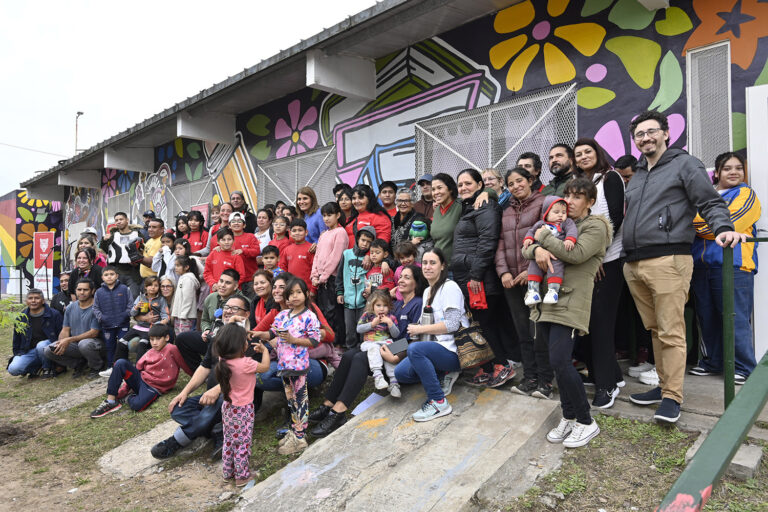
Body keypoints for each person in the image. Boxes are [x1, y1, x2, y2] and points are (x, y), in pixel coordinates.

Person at [623, 110, 743, 424]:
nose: (645, 138)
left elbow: (710, 201)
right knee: (654, 330)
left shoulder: (684, 164)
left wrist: (723, 229)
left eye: (651, 131)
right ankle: (664, 386)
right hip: (634, 262)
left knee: (671, 331)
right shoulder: (638, 174)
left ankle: (673, 397)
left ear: (666, 133)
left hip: (669, 260)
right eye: (639, 134)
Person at [522, 178, 611, 448]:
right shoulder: (558, 225)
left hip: (571, 302)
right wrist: (536, 248)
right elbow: (526, 248)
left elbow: (577, 254)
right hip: (549, 301)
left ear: (590, 202)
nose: (569, 202)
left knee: (561, 360)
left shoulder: (595, 226)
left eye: (577, 197)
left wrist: (542, 239)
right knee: (554, 361)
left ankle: (586, 420)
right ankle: (569, 415)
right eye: (567, 196)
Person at [310, 265, 426, 436]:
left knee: (360, 359)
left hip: (399, 355)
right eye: (400, 276)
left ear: (416, 282)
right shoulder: (398, 303)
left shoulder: (418, 304)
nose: (401, 280)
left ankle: (339, 412)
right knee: (349, 355)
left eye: (407, 277)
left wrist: (394, 355)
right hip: (384, 345)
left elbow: (414, 339)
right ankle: (328, 404)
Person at [150, 294, 252, 460]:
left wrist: (217, 390)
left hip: (235, 397)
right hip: (210, 397)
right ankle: (217, 430)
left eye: (234, 309)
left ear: (246, 314)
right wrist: (184, 392)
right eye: (226, 307)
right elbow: (204, 366)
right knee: (178, 409)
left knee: (216, 405)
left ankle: (177, 440)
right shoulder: (218, 335)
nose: (228, 311)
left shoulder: (249, 339)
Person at [690, 152, 760, 385]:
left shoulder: (746, 193)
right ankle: (712, 362)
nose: (734, 172)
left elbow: (729, 223)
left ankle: (744, 367)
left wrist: (698, 225)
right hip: (700, 265)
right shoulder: (703, 196)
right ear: (716, 172)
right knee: (706, 316)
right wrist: (701, 224)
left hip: (734, 265)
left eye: (738, 168)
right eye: (727, 168)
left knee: (734, 317)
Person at [573, 137, 627, 408]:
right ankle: (609, 376)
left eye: (587, 152)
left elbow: (616, 218)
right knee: (590, 323)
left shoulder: (611, 177)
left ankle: (607, 386)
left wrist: (598, 258)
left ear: (598, 152)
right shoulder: (582, 184)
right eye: (578, 154)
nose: (583, 156)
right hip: (588, 263)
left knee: (601, 324)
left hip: (609, 261)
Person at [452, 169, 514, 388]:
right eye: (460, 184)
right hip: (469, 275)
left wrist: (476, 274)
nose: (463, 188)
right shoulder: (469, 207)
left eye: (468, 183)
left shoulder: (485, 205)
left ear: (480, 185)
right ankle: (488, 367)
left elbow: (488, 241)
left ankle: (502, 365)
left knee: (486, 324)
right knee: (479, 324)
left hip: (480, 278)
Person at [495, 167, 552, 398]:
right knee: (522, 332)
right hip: (511, 281)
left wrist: (532, 270)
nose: (516, 186)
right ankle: (529, 378)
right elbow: (500, 243)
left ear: (530, 181)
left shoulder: (543, 203)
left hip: (535, 279)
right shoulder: (506, 210)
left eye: (520, 181)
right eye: (511, 183)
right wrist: (503, 273)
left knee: (538, 330)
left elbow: (550, 237)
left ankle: (545, 381)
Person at [398, 249, 467, 421]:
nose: (428, 267)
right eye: (425, 263)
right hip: (429, 346)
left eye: (433, 263)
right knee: (401, 373)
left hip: (451, 349)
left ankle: (438, 401)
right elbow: (414, 332)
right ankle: (443, 374)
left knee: (415, 350)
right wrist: (390, 347)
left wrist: (418, 331)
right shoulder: (425, 293)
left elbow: (451, 325)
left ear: (443, 266)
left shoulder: (448, 288)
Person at [90, 324, 192, 418]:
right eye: (151, 339)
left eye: (158, 339)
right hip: (141, 380)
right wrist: (124, 389)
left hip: (155, 387)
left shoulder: (171, 348)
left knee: (137, 405)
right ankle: (111, 401)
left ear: (167, 338)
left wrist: (196, 377)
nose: (154, 343)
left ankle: (129, 397)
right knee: (120, 363)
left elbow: (184, 364)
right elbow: (138, 369)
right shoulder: (149, 352)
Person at [268, 277, 321, 455]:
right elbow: (271, 332)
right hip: (284, 366)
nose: (295, 296)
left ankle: (300, 437)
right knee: (290, 400)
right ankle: (294, 430)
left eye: (299, 292)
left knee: (301, 400)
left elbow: (314, 340)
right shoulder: (283, 315)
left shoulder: (309, 316)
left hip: (299, 366)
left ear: (306, 294)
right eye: (291, 293)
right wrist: (256, 334)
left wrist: (294, 340)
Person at [214, 323, 270, 485]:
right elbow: (265, 367)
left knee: (230, 440)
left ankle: (228, 471)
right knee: (243, 442)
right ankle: (242, 476)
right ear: (241, 345)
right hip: (244, 409)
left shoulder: (223, 360)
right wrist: (265, 351)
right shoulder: (246, 363)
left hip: (228, 407)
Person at [176, 269, 247, 371]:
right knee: (182, 338)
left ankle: (217, 371)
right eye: (221, 281)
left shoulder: (242, 302)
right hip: (211, 336)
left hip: (230, 343)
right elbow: (205, 320)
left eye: (228, 283)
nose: (222, 285)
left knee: (216, 342)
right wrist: (206, 330)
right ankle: (200, 372)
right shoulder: (211, 298)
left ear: (235, 286)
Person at [522, 197, 578, 305]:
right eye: (556, 212)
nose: (561, 215)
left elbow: (572, 230)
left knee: (555, 268)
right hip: (539, 253)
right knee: (533, 268)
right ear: (546, 213)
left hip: (556, 253)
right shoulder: (540, 224)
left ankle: (553, 291)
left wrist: (570, 240)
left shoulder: (567, 223)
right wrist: (528, 238)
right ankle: (533, 292)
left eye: (563, 212)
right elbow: (531, 231)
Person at [430, 173, 493, 267]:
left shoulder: (462, 205)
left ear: (450, 189)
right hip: (439, 268)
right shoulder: (436, 210)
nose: (436, 192)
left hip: (457, 267)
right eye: (433, 189)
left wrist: (486, 192)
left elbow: (492, 192)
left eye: (439, 188)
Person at [44, 279, 103, 379]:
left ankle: (97, 367)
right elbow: (65, 330)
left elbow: (94, 333)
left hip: (96, 344)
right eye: (79, 289)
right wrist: (61, 343)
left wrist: (69, 340)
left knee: (84, 344)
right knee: (48, 350)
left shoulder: (97, 307)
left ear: (92, 291)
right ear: (75, 291)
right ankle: (78, 364)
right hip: (76, 344)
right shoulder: (70, 308)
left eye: (85, 290)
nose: (82, 292)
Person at [311, 202, 349, 346]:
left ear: (338, 215)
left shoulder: (341, 232)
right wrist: (314, 275)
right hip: (321, 280)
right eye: (324, 216)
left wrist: (323, 277)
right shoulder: (324, 234)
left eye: (330, 215)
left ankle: (337, 344)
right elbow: (317, 256)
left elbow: (336, 257)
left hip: (332, 279)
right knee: (324, 314)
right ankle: (327, 343)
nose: (326, 219)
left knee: (334, 314)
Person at [114, 276, 171, 362]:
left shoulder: (161, 299)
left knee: (142, 344)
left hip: (151, 328)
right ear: (145, 287)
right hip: (138, 327)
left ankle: (139, 368)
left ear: (159, 287)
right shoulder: (140, 298)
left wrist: (158, 324)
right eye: (150, 285)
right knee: (122, 342)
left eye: (156, 285)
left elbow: (166, 316)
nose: (152, 287)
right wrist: (136, 307)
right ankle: (119, 365)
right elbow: (132, 314)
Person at [336, 226, 376, 348]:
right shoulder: (346, 254)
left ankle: (362, 352)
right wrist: (339, 292)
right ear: (357, 239)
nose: (365, 244)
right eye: (363, 240)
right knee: (350, 330)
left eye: (369, 242)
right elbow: (340, 275)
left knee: (363, 329)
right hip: (348, 300)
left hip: (363, 301)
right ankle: (349, 352)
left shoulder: (371, 258)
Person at [8, 288, 62, 378]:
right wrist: (17, 354)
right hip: (30, 351)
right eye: (30, 298)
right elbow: (16, 339)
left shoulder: (54, 314)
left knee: (41, 345)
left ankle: (47, 368)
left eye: (37, 298)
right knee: (13, 369)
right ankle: (36, 368)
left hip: (49, 348)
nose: (33, 301)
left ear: (43, 301)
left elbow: (61, 335)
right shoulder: (21, 317)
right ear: (26, 301)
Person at [357, 289, 401, 394]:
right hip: (370, 343)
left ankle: (394, 382)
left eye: (385, 305)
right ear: (372, 305)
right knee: (374, 349)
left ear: (389, 306)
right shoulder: (367, 316)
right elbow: (359, 329)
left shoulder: (391, 317)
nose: (382, 309)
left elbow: (396, 335)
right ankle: (378, 376)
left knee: (389, 351)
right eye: (378, 305)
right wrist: (372, 324)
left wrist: (390, 324)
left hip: (385, 342)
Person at [93, 265, 132, 377]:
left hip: (123, 324)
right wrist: (102, 318)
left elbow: (130, 305)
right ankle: (111, 367)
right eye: (106, 275)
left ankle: (124, 367)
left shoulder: (124, 289)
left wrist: (126, 315)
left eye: (111, 274)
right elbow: (95, 308)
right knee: (110, 346)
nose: (109, 277)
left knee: (123, 344)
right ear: (102, 277)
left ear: (117, 276)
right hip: (107, 325)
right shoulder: (99, 292)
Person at [391, 188, 431, 255]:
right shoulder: (392, 220)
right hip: (393, 260)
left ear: (412, 203)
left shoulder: (419, 219)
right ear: (396, 202)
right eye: (400, 200)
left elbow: (419, 241)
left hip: (410, 257)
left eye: (406, 201)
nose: (403, 204)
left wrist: (410, 244)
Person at [229, 212, 260, 296]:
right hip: (235, 280)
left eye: (239, 221)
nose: (236, 223)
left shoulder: (250, 236)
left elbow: (257, 251)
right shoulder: (227, 239)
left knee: (251, 303)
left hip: (250, 278)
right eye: (233, 221)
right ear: (229, 225)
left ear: (244, 225)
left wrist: (244, 251)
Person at [280, 219, 315, 293]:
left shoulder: (311, 249)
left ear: (306, 232)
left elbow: (315, 270)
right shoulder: (287, 250)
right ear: (290, 233)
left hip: (307, 289)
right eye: (294, 231)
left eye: (300, 230)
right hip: (291, 289)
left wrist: (313, 289)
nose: (297, 233)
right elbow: (282, 269)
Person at [171, 256, 200, 335]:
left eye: (178, 265)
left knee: (184, 337)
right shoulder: (182, 278)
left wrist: (183, 315)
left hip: (185, 317)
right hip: (180, 315)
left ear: (186, 267)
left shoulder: (188, 279)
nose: (175, 268)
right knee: (178, 337)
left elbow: (188, 299)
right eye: (175, 265)